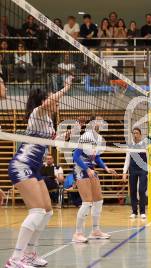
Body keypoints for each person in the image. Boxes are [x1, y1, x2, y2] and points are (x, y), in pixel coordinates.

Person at [5, 76, 73, 268]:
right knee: (36, 211)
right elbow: (50, 101)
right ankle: (15, 259)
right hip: (21, 165)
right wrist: (66, 87)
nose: (57, 102)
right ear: (44, 102)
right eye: (53, 99)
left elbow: (50, 141)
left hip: (34, 168)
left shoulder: (49, 123)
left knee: (47, 212)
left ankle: (29, 254)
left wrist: (65, 135)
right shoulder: (37, 113)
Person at [71, 115, 117, 243]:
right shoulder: (86, 136)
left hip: (90, 169)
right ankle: (78, 233)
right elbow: (76, 155)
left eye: (102, 120)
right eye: (97, 120)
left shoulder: (99, 138)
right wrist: (86, 169)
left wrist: (106, 168)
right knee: (87, 202)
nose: (100, 122)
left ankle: (95, 231)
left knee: (98, 201)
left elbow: (96, 157)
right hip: (81, 169)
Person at [122, 127, 148, 219]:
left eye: (137, 133)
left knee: (141, 190)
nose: (135, 135)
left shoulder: (145, 145)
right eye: (133, 133)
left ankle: (142, 212)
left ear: (140, 135)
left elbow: (149, 158)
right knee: (132, 190)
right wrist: (124, 172)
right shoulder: (130, 146)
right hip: (132, 169)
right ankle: (134, 211)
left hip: (143, 169)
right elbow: (127, 159)